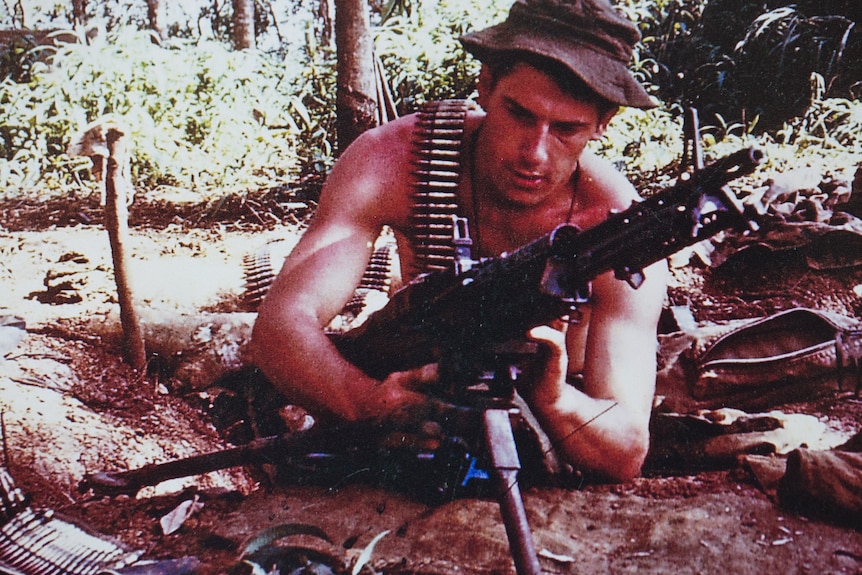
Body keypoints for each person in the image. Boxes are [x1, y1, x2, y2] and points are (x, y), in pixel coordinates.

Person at [251, 0, 668, 483]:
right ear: (485, 86)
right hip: (420, 389)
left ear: (603, 122)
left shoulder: (615, 226)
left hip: (554, 405)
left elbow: (625, 451)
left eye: (566, 129)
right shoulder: (394, 161)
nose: (534, 153)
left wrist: (552, 397)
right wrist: (367, 403)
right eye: (518, 114)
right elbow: (280, 327)